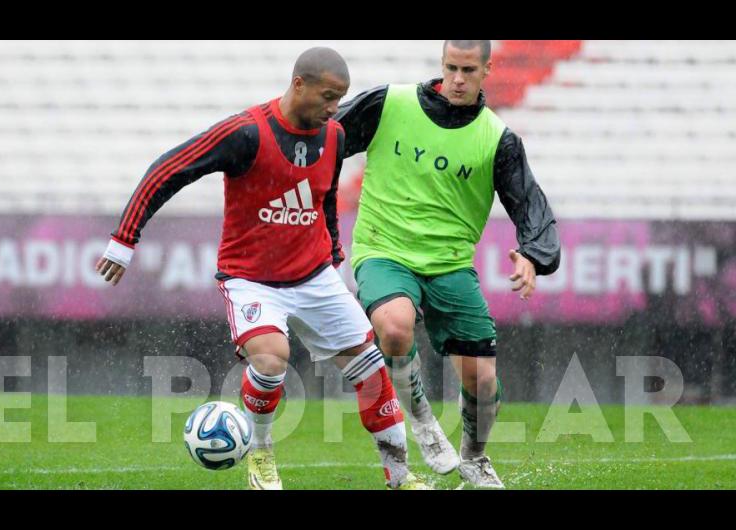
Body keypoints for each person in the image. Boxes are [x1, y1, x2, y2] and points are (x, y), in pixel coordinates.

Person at [95, 47, 427, 490]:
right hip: (251, 279)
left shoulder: (335, 136)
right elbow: (170, 169)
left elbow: (323, 195)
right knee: (272, 358)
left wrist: (331, 249)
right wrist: (124, 240)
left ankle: (401, 478)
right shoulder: (247, 132)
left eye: (339, 98)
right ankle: (262, 456)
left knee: (370, 369)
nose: (334, 109)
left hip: (314, 275)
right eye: (328, 97)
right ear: (298, 85)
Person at [335, 40, 561, 488]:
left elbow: (531, 205)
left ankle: (474, 459)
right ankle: (421, 420)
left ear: (487, 70)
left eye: (468, 70)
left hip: (450, 264)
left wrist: (535, 256)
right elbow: (324, 139)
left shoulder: (498, 139)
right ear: (442, 65)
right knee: (395, 327)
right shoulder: (389, 103)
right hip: (384, 248)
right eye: (451, 68)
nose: (458, 79)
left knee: (482, 378)